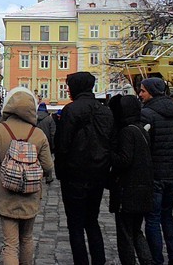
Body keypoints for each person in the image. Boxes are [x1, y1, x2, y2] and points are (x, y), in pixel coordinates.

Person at [0, 87, 54, 265]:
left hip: (5, 191)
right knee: (27, 238)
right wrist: (41, 174)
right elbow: (48, 165)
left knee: (10, 243)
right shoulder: (37, 134)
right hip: (30, 193)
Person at [54, 72, 114, 265]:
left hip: (75, 174)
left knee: (76, 224)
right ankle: (99, 260)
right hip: (98, 172)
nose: (68, 90)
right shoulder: (105, 110)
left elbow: (63, 145)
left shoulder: (71, 110)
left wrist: (60, 171)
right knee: (92, 220)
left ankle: (81, 261)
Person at [138, 77, 173, 265]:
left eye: (143, 91)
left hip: (155, 177)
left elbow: (144, 149)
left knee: (152, 219)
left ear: (151, 92)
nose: (140, 94)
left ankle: (157, 259)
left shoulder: (146, 114)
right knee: (167, 215)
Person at [109, 95, 154, 265]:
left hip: (128, 191)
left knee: (125, 234)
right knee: (136, 231)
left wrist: (110, 153)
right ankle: (147, 261)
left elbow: (124, 160)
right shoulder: (140, 128)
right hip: (143, 189)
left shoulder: (127, 131)